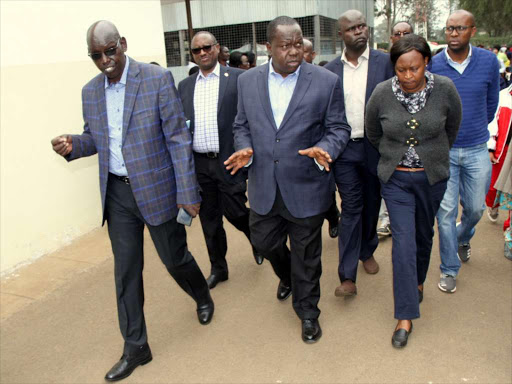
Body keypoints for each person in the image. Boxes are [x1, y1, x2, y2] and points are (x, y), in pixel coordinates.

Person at [50, 21, 213, 381]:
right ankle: (136, 346)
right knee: (126, 272)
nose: (105, 60)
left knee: (174, 259)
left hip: (157, 189)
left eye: (110, 50)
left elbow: (176, 139)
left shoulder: (154, 81)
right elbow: (96, 138)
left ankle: (201, 293)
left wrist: (187, 192)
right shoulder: (90, 92)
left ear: (122, 44)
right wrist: (74, 145)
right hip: (118, 195)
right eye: (97, 55)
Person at [225, 16, 350, 343]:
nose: (294, 52)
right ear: (268, 47)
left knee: (308, 255)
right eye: (285, 46)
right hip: (264, 184)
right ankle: (288, 275)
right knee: (265, 243)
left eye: (298, 44)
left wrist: (325, 148)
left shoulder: (325, 81)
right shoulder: (247, 81)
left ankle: (308, 313)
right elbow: (241, 125)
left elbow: (339, 129)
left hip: (306, 185)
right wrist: (244, 148)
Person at [366, 34, 462, 348]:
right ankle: (405, 315)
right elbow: (373, 133)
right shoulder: (381, 93)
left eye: (415, 69)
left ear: (426, 64)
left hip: (431, 180)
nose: (408, 76)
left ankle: (417, 282)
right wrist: (396, 157)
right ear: (394, 67)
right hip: (396, 181)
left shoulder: (445, 89)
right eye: (401, 69)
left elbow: (452, 128)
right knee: (403, 244)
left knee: (423, 236)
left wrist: (430, 157)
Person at [178, 32, 263, 290]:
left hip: (229, 161)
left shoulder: (238, 79)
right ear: (192, 55)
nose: (202, 53)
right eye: (196, 50)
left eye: (207, 47)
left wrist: (249, 151)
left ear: (216, 49)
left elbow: (251, 118)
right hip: (200, 165)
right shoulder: (184, 86)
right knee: (210, 221)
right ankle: (219, 268)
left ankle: (255, 237)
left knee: (236, 211)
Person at [324, 9, 394, 296]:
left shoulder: (385, 62)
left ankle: (368, 250)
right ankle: (347, 276)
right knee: (351, 207)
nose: (359, 32)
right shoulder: (328, 71)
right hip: (344, 151)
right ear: (341, 35)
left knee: (371, 202)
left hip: (375, 147)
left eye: (362, 26)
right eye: (352, 28)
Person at [429, 10, 500, 293]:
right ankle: (449, 269)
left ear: (473, 30)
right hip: (443, 150)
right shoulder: (433, 64)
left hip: (475, 149)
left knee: (474, 208)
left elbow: (491, 102)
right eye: (449, 29)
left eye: (460, 28)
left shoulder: (488, 62)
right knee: (444, 212)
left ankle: (463, 236)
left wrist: (472, 127)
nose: (454, 33)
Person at [377, 20, 414, 238]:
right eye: (397, 33)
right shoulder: (383, 63)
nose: (401, 36)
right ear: (392, 38)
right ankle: (386, 218)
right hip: (388, 134)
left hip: (417, 135)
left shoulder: (426, 61)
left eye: (406, 33)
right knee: (388, 175)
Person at [303, 37, 340, 238]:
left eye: (305, 51)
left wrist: (327, 145)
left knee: (325, 194)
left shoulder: (325, 78)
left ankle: (333, 217)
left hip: (322, 147)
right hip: (298, 150)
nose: (300, 55)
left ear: (313, 55)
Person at [486, 84, 512, 229]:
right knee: (493, 186)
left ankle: (509, 225)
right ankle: (493, 205)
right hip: (502, 149)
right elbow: (492, 122)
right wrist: (491, 147)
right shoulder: (502, 96)